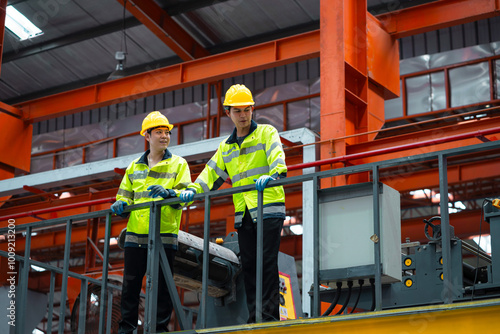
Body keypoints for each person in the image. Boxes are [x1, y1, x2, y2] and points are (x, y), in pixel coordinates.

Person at [180, 84, 287, 323]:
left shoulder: (266, 133)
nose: (243, 115)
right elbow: (210, 175)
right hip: (245, 213)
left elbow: (277, 158)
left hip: (269, 208)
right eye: (237, 111)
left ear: (252, 109)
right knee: (248, 264)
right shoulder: (226, 147)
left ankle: (268, 319)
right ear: (228, 112)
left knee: (266, 262)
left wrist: (274, 174)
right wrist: (192, 190)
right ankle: (254, 318)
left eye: (247, 109)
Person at [111, 111, 191, 334]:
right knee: (130, 287)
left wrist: (169, 193)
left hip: (164, 235)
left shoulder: (179, 164)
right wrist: (120, 204)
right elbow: (124, 196)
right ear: (147, 136)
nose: (165, 136)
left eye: (167, 132)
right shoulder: (134, 167)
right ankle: (126, 330)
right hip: (136, 236)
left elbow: (185, 195)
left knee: (162, 289)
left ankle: (158, 330)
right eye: (159, 132)